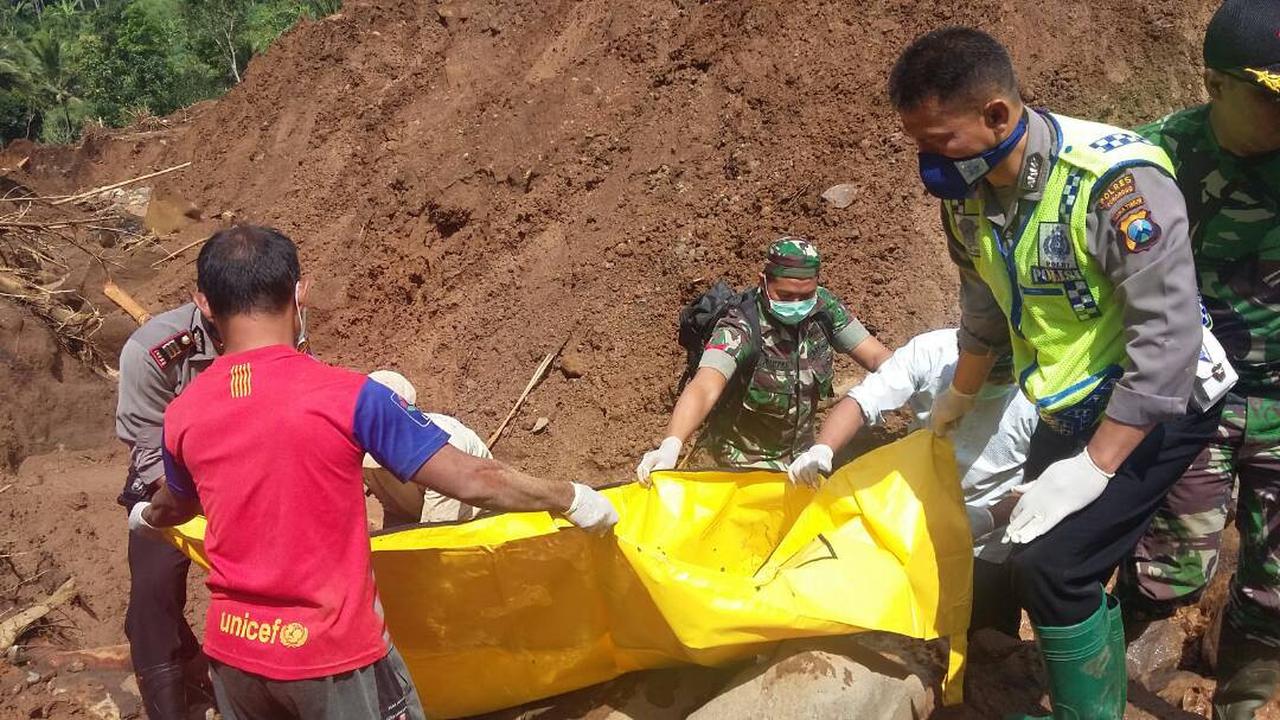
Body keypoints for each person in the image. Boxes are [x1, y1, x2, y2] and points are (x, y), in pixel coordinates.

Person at [125, 225, 618, 720]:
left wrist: (147, 515)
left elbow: (177, 504)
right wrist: (571, 497)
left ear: (205, 303)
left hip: (235, 658)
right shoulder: (349, 396)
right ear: (300, 292)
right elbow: (475, 480)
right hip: (332, 659)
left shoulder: (184, 412)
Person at [889, 28, 1222, 719]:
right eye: (917, 142)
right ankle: (1089, 687)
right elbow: (984, 311)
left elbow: (1168, 344)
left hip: (1165, 397)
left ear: (997, 117)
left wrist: (1093, 469)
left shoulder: (1116, 183)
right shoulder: (969, 199)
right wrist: (955, 402)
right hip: (1070, 401)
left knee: (1055, 563)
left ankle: (1085, 713)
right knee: (1028, 540)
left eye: (939, 140)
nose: (928, 161)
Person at [1118, 2, 1280, 717]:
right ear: (1214, 85)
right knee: (1168, 569)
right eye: (1269, 97)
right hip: (1192, 401)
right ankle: (1107, 692)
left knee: (1276, 588)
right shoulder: (1155, 160)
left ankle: (1243, 705)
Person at [788, 329, 1038, 637]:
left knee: (985, 649)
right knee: (899, 637)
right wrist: (823, 448)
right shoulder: (933, 353)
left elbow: (1045, 484)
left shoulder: (1041, 390)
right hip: (912, 528)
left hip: (986, 549)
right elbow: (863, 400)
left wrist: (987, 518)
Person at [635, 237, 891, 480]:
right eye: (786, 296)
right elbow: (705, 386)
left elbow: (876, 355)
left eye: (805, 296)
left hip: (800, 466)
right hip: (737, 468)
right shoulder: (741, 324)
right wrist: (672, 443)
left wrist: (916, 377)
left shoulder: (824, 309)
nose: (797, 304)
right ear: (763, 282)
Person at [115, 302, 220, 719]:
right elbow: (148, 449)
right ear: (202, 298)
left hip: (249, 484)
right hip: (171, 485)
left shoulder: (279, 326)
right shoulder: (151, 349)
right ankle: (174, 706)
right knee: (152, 597)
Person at [362, 369, 489, 528]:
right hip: (414, 514)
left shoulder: (444, 450)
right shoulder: (360, 450)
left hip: (473, 523)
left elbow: (436, 531)